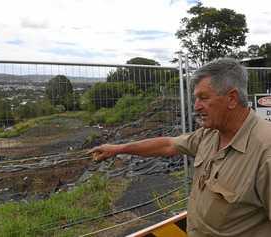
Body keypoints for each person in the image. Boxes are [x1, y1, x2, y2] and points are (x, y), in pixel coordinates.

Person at [88, 58, 271, 237]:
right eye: (195, 98)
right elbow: (168, 145)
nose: (196, 106)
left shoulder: (265, 152)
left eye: (203, 98)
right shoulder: (209, 134)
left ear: (232, 98)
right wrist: (118, 149)